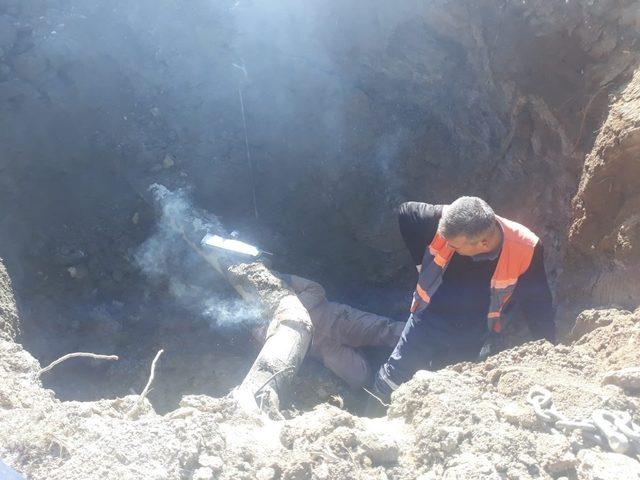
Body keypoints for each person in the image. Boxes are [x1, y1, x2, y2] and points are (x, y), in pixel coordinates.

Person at [373, 197, 555, 402]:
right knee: (392, 379)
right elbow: (406, 212)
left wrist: (550, 349)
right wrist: (420, 265)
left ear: (483, 243)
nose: (448, 246)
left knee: (448, 391)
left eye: (455, 246)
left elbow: (538, 303)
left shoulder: (525, 248)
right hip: (428, 318)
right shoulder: (447, 221)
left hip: (472, 332)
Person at [253, 274, 404, 389]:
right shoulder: (254, 322)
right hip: (323, 348)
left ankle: (423, 340)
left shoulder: (274, 280)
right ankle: (379, 368)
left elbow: (316, 290)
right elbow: (275, 343)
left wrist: (293, 306)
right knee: (360, 379)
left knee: (387, 330)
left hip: (339, 319)